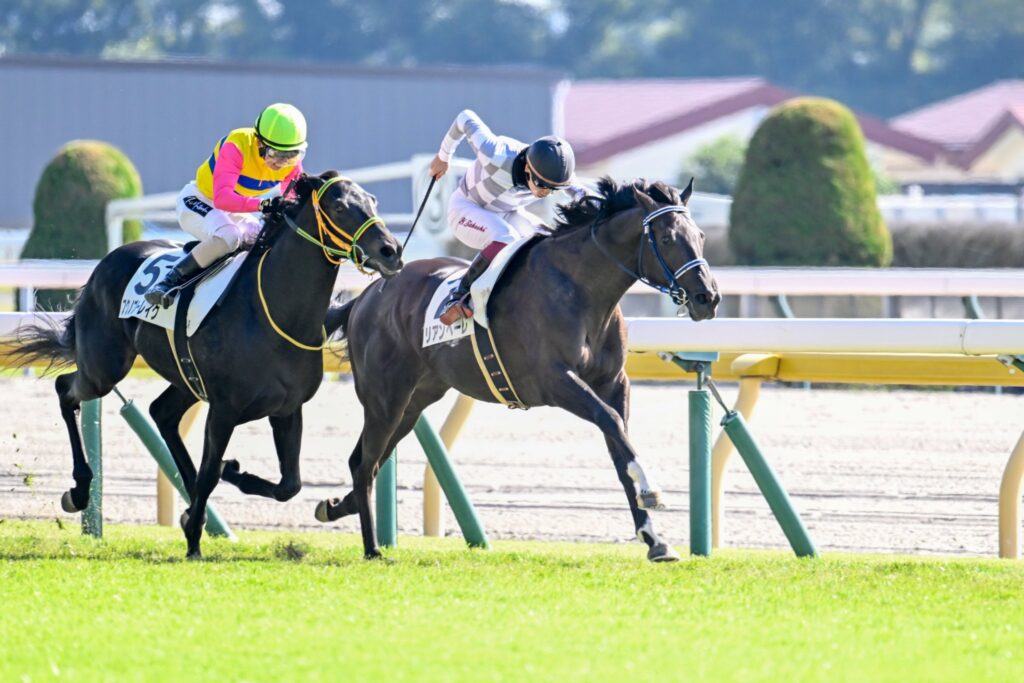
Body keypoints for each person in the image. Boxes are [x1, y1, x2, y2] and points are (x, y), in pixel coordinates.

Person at [429, 109, 587, 325]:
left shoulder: (552, 173)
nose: (544, 193)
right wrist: (443, 157)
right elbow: (464, 118)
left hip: (507, 213)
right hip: (466, 208)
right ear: (527, 166)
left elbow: (584, 195)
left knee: (548, 241)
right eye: (541, 185)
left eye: (552, 189)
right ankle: (458, 296)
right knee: (506, 238)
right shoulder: (495, 154)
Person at [145, 103, 308, 308]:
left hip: (233, 210)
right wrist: (265, 205)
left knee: (268, 239)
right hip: (200, 200)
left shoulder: (291, 165)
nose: (281, 164)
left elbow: (292, 203)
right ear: (258, 142)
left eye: (291, 155)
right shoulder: (236, 145)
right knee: (229, 236)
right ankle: (168, 282)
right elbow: (223, 199)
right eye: (275, 154)